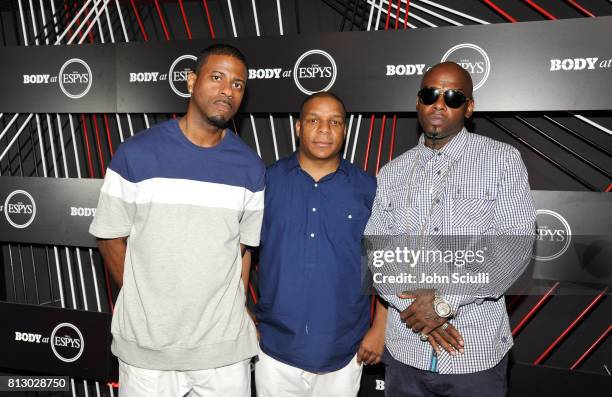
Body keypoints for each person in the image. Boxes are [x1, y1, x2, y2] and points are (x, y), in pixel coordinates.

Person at [89, 44, 264, 397]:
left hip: (223, 350)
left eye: (238, 84)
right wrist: (146, 302)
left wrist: (237, 306)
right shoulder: (136, 153)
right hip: (147, 350)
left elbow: (243, 248)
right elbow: (109, 237)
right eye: (217, 77)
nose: (227, 90)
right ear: (191, 81)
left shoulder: (250, 167)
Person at [365, 62, 536, 397]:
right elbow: (377, 253)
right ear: (418, 101)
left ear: (468, 108)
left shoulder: (501, 161)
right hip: (406, 350)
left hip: (473, 352)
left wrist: (443, 303)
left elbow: (513, 247)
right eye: (430, 94)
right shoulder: (391, 173)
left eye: (453, 97)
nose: (439, 103)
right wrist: (415, 311)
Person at [254, 92, 387, 397]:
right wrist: (240, 312)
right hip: (275, 348)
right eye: (314, 120)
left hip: (344, 349)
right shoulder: (265, 183)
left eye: (334, 122)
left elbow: (385, 262)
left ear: (345, 130)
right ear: (299, 127)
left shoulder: (369, 189)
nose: (324, 129)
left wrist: (381, 327)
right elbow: (241, 252)